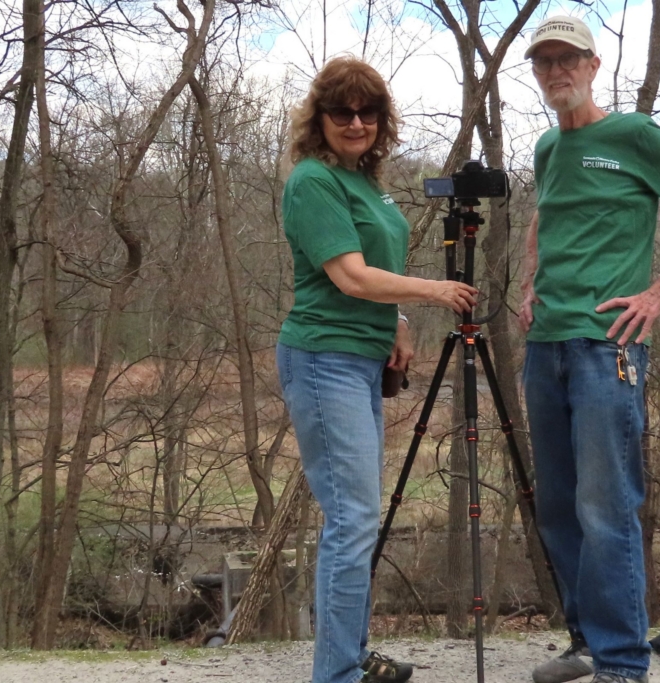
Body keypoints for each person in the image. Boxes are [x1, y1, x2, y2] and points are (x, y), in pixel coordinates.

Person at [518, 16, 660, 683]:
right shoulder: (547, 148)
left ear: (593, 66)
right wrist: (530, 283)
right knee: (558, 508)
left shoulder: (633, 135)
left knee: (604, 506)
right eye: (545, 61)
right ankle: (587, 642)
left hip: (607, 348)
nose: (557, 71)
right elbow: (544, 215)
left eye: (568, 58)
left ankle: (621, 663)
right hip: (545, 347)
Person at [276, 56, 478, 683]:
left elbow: (371, 276)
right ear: (320, 118)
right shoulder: (313, 180)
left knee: (357, 516)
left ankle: (352, 656)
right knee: (353, 518)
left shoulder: (367, 181)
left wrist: (398, 322)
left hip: (363, 358)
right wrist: (434, 291)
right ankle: (337, 672)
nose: (356, 122)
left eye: (368, 112)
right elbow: (350, 276)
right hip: (324, 359)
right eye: (342, 111)